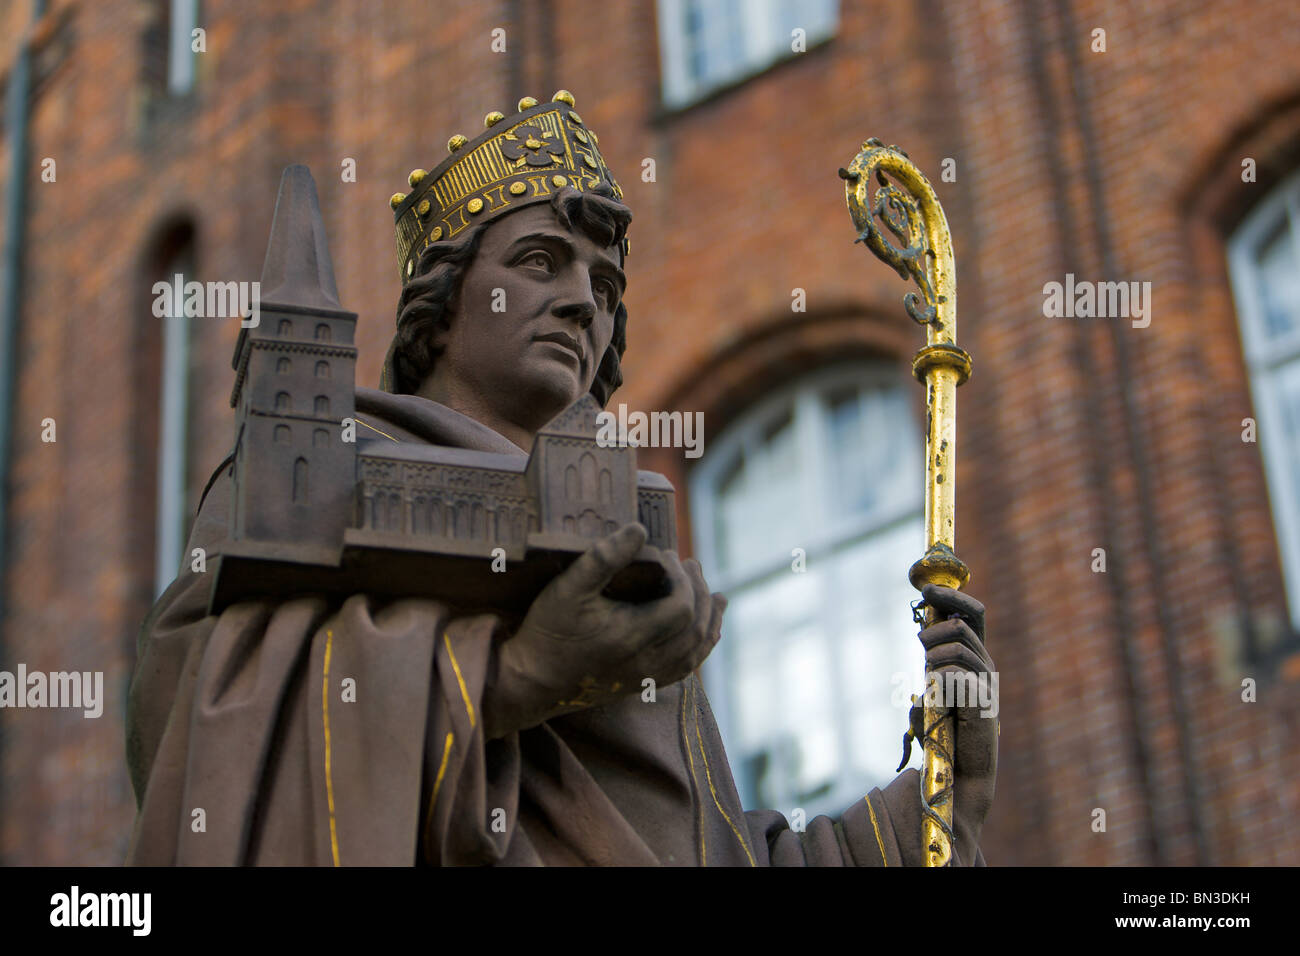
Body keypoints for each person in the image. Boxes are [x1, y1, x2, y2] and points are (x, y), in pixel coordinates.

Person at [126, 91, 996, 865]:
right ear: (443, 300)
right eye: (540, 262)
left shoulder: (621, 536)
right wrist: (523, 674)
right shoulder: (319, 465)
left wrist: (933, 800)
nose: (586, 300)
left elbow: (707, 847)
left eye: (607, 284)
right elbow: (198, 735)